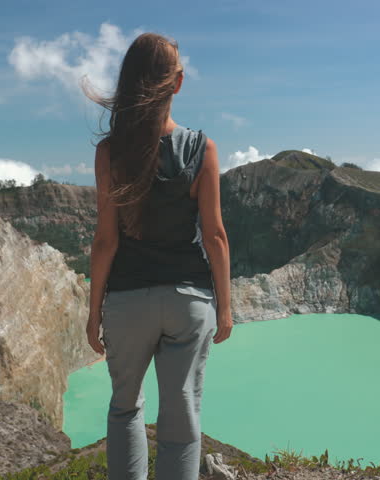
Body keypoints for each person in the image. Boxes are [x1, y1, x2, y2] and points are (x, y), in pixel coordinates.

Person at [83, 32, 233, 480]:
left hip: (128, 302)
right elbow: (215, 235)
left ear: (128, 83)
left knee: (125, 408)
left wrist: (94, 316)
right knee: (181, 418)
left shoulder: (110, 153)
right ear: (178, 82)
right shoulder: (201, 149)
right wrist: (225, 308)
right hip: (189, 303)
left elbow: (105, 241)